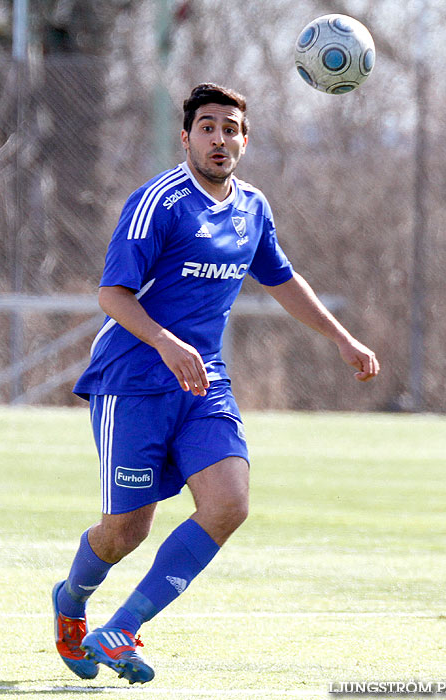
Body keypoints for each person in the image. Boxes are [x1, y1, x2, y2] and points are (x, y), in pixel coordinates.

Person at [52, 83, 380, 685]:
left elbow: (281, 278)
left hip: (204, 384)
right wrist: (166, 342)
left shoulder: (253, 206)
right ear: (187, 137)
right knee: (127, 531)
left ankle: (122, 629)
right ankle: (71, 603)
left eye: (231, 128)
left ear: (245, 140)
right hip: (131, 383)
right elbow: (111, 294)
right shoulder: (160, 201)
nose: (220, 138)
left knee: (230, 504)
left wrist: (342, 338)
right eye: (207, 127)